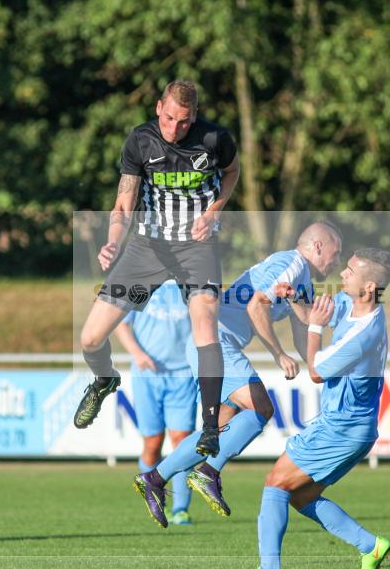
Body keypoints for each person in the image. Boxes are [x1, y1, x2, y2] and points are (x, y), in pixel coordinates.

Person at [133, 222, 343, 528]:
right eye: (336, 255)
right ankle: (207, 472)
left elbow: (305, 331)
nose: (336, 263)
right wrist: (278, 354)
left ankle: (154, 477)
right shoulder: (292, 264)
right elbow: (256, 306)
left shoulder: (303, 281)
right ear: (318, 246)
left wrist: (318, 367)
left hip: (214, 345)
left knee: (215, 431)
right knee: (261, 408)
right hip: (216, 343)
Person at [73, 80, 240, 460]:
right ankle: (104, 379)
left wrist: (214, 210)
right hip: (146, 249)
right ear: (157, 107)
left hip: (196, 247)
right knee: (90, 339)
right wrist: (114, 240)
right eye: (168, 118)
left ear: (193, 116)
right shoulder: (140, 141)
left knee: (205, 321)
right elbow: (124, 201)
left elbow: (232, 172)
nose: (174, 128)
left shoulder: (215, 139)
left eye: (183, 122)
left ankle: (211, 427)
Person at [240, 249, 390, 569]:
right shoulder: (355, 303)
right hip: (352, 427)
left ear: (368, 288)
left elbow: (316, 371)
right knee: (302, 496)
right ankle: (371, 546)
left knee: (275, 483)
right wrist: (295, 298)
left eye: (350, 272)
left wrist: (313, 329)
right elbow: (319, 310)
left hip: (342, 427)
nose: (343, 275)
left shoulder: (364, 334)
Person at [114, 280, 196, 525]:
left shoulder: (190, 284)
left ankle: (181, 509)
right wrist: (138, 354)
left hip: (183, 375)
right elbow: (121, 323)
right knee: (152, 443)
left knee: (182, 442)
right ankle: (155, 500)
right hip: (147, 375)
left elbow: (207, 321)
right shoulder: (143, 283)